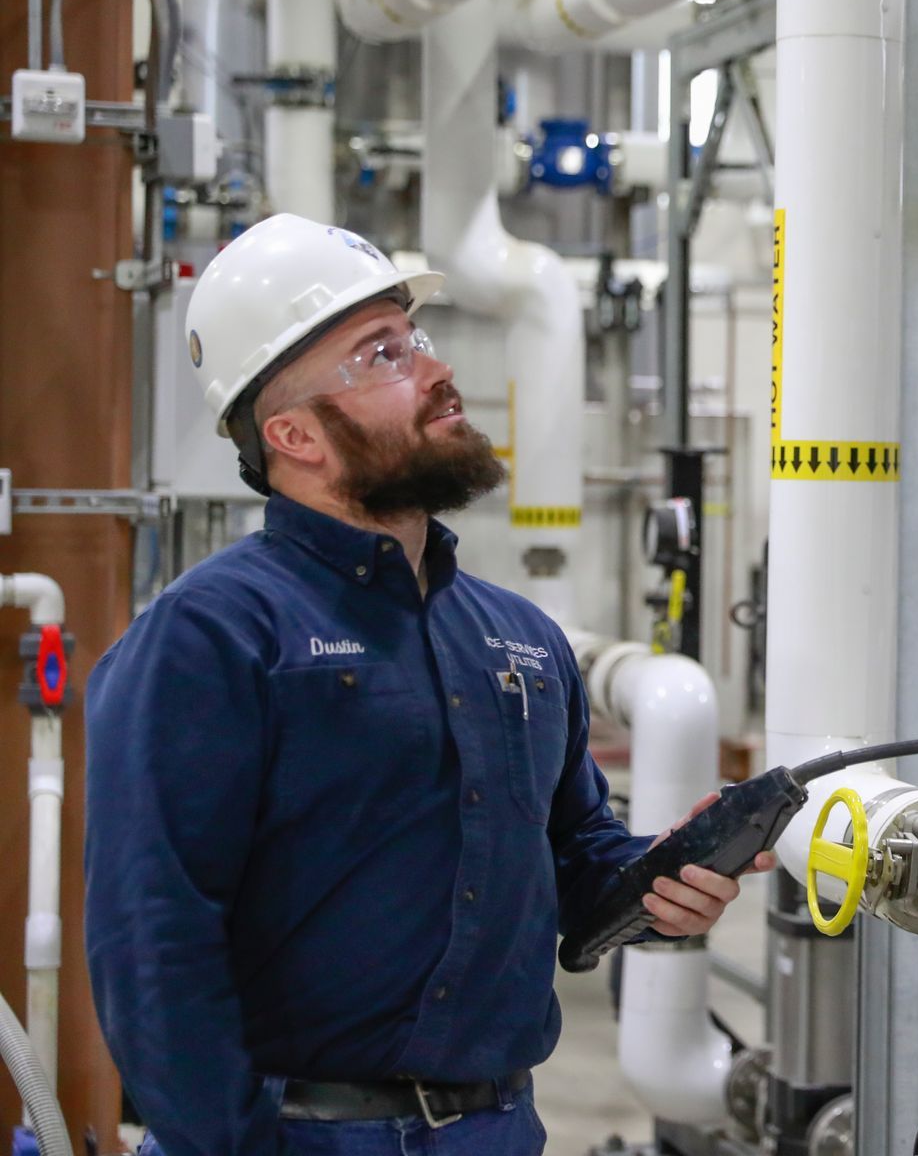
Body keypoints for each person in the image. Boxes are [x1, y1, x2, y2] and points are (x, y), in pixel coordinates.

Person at [83, 213, 769, 1156]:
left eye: (416, 341)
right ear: (293, 434)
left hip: (496, 1128)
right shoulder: (210, 639)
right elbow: (152, 943)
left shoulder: (520, 638)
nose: (436, 371)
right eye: (381, 355)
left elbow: (573, 863)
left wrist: (657, 882)